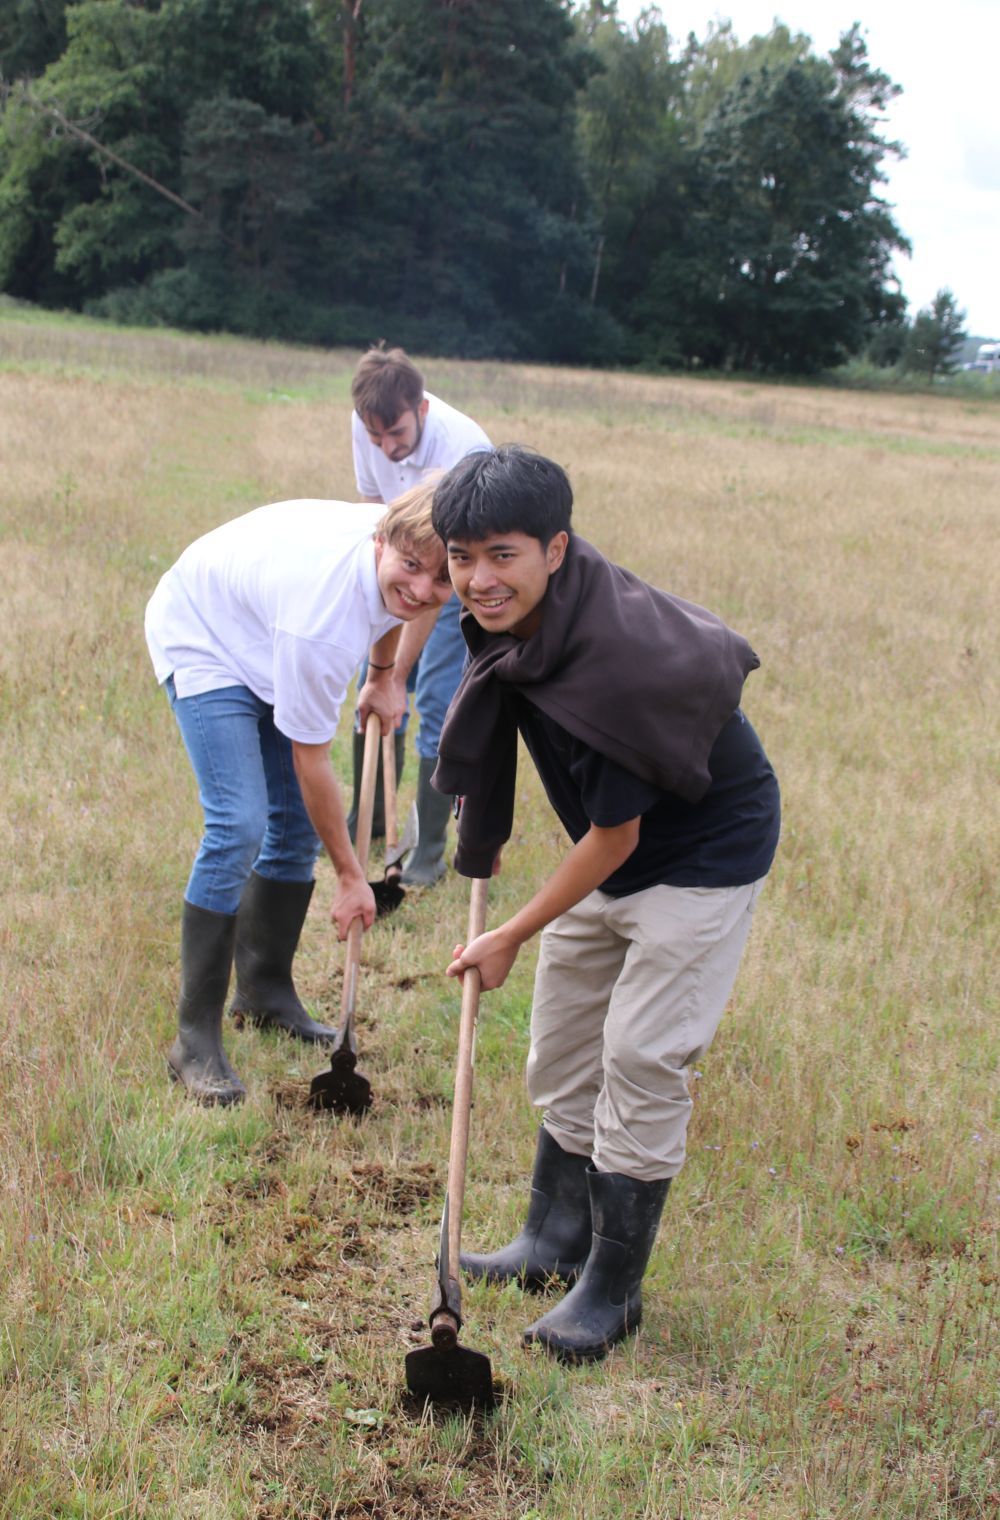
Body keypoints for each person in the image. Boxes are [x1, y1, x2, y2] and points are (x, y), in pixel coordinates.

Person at [430, 446, 781, 1364]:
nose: (478, 578)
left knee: (640, 1055)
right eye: (461, 556)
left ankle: (612, 1293)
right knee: (565, 1040)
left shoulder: (617, 663)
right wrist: (485, 845)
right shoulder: (532, 616)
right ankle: (553, 1241)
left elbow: (615, 839)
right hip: (617, 840)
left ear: (557, 546)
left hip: (701, 853)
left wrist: (509, 931)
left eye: (501, 554)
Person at [145, 481, 451, 1106]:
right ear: (381, 542)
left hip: (267, 630)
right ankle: (193, 1039)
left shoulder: (403, 541)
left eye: (443, 578)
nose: (423, 589)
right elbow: (311, 762)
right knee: (241, 825)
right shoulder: (322, 625)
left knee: (292, 830)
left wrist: (385, 675)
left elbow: (397, 605)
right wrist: (348, 874)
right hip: (206, 634)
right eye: (413, 568)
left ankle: (263, 993)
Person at [349, 344, 490, 885]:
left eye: (397, 435)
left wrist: (399, 672)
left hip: (454, 577)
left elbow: (437, 582)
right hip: (399, 564)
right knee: (374, 684)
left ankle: (428, 850)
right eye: (374, 435)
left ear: (422, 410)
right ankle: (375, 819)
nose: (385, 447)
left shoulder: (462, 451)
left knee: (432, 699)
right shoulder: (366, 425)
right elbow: (369, 506)